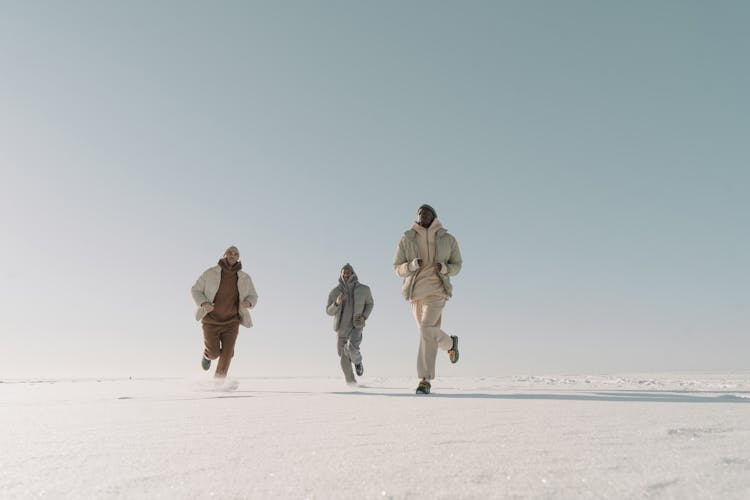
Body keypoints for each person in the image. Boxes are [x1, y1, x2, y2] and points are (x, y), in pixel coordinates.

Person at [393, 204, 462, 394]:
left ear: (434, 216)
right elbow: (397, 267)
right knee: (427, 334)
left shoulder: (447, 239)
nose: (423, 215)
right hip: (415, 294)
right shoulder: (407, 238)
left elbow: (457, 265)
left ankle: (424, 380)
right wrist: (412, 265)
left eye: (427, 212)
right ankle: (450, 344)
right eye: (419, 213)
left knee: (425, 330)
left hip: (437, 291)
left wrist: (445, 269)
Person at [191, 246, 258, 378]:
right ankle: (207, 355)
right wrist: (204, 303)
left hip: (232, 322)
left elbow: (253, 296)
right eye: (230, 253)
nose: (232, 256)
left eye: (236, 254)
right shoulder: (210, 273)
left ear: (238, 257)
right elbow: (195, 290)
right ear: (224, 255)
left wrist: (248, 303)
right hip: (211, 320)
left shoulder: (245, 278)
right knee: (214, 353)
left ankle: (219, 384)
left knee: (227, 354)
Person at [326, 263, 374, 385]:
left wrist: (364, 316)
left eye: (348, 272)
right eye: (344, 272)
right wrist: (336, 302)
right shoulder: (334, 292)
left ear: (353, 273)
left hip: (356, 327)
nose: (346, 274)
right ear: (341, 275)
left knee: (352, 348)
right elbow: (329, 311)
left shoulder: (364, 289)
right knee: (342, 357)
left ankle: (358, 362)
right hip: (341, 329)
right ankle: (351, 384)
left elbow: (370, 304)